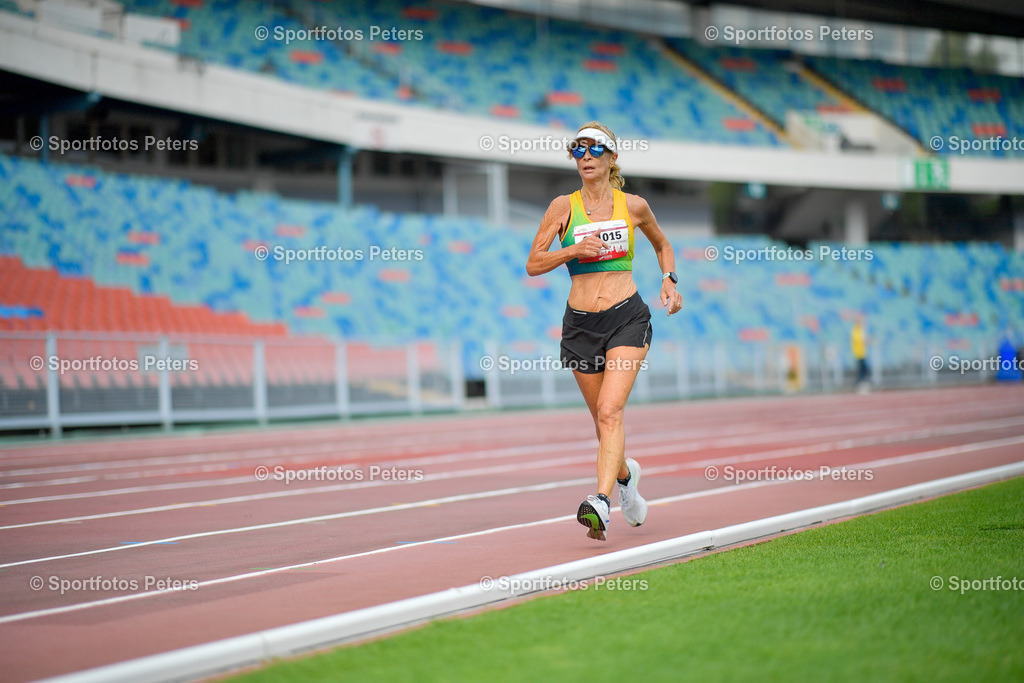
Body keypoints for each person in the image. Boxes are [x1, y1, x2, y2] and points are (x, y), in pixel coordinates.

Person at [526, 122, 683, 541]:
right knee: (601, 422)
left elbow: (662, 243)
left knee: (611, 412)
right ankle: (627, 480)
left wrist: (669, 279)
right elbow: (533, 263)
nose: (587, 157)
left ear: (612, 158)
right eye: (579, 150)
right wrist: (574, 249)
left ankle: (599, 500)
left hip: (627, 318)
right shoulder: (563, 207)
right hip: (580, 326)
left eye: (596, 149)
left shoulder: (633, 206)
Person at [851, 314, 870, 393]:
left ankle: (861, 385)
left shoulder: (860, 329)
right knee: (862, 370)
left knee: (863, 370)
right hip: (859, 353)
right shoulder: (856, 329)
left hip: (862, 353)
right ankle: (860, 386)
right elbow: (859, 340)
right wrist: (867, 341)